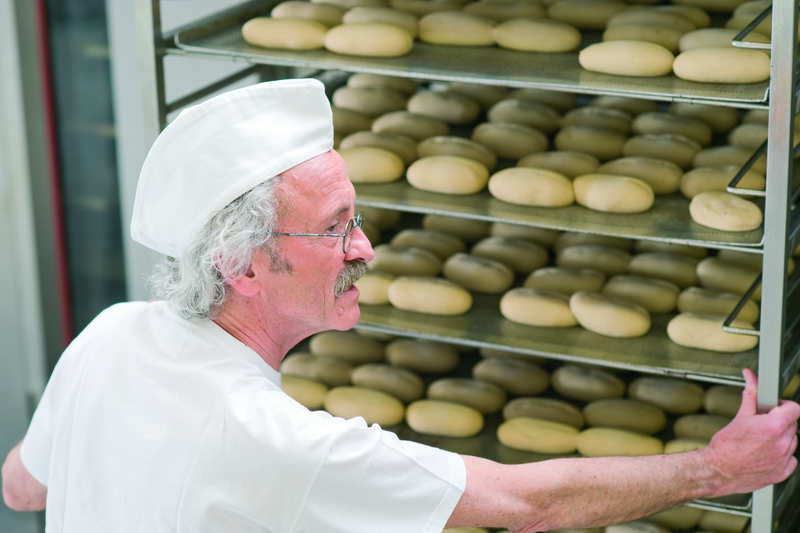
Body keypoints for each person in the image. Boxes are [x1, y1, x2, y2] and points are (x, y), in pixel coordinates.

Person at [2, 78, 798, 533]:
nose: (366, 248)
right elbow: (532, 504)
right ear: (242, 266)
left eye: (356, 216)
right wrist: (719, 466)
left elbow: (20, 487)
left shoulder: (111, 335)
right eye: (333, 229)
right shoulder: (275, 440)